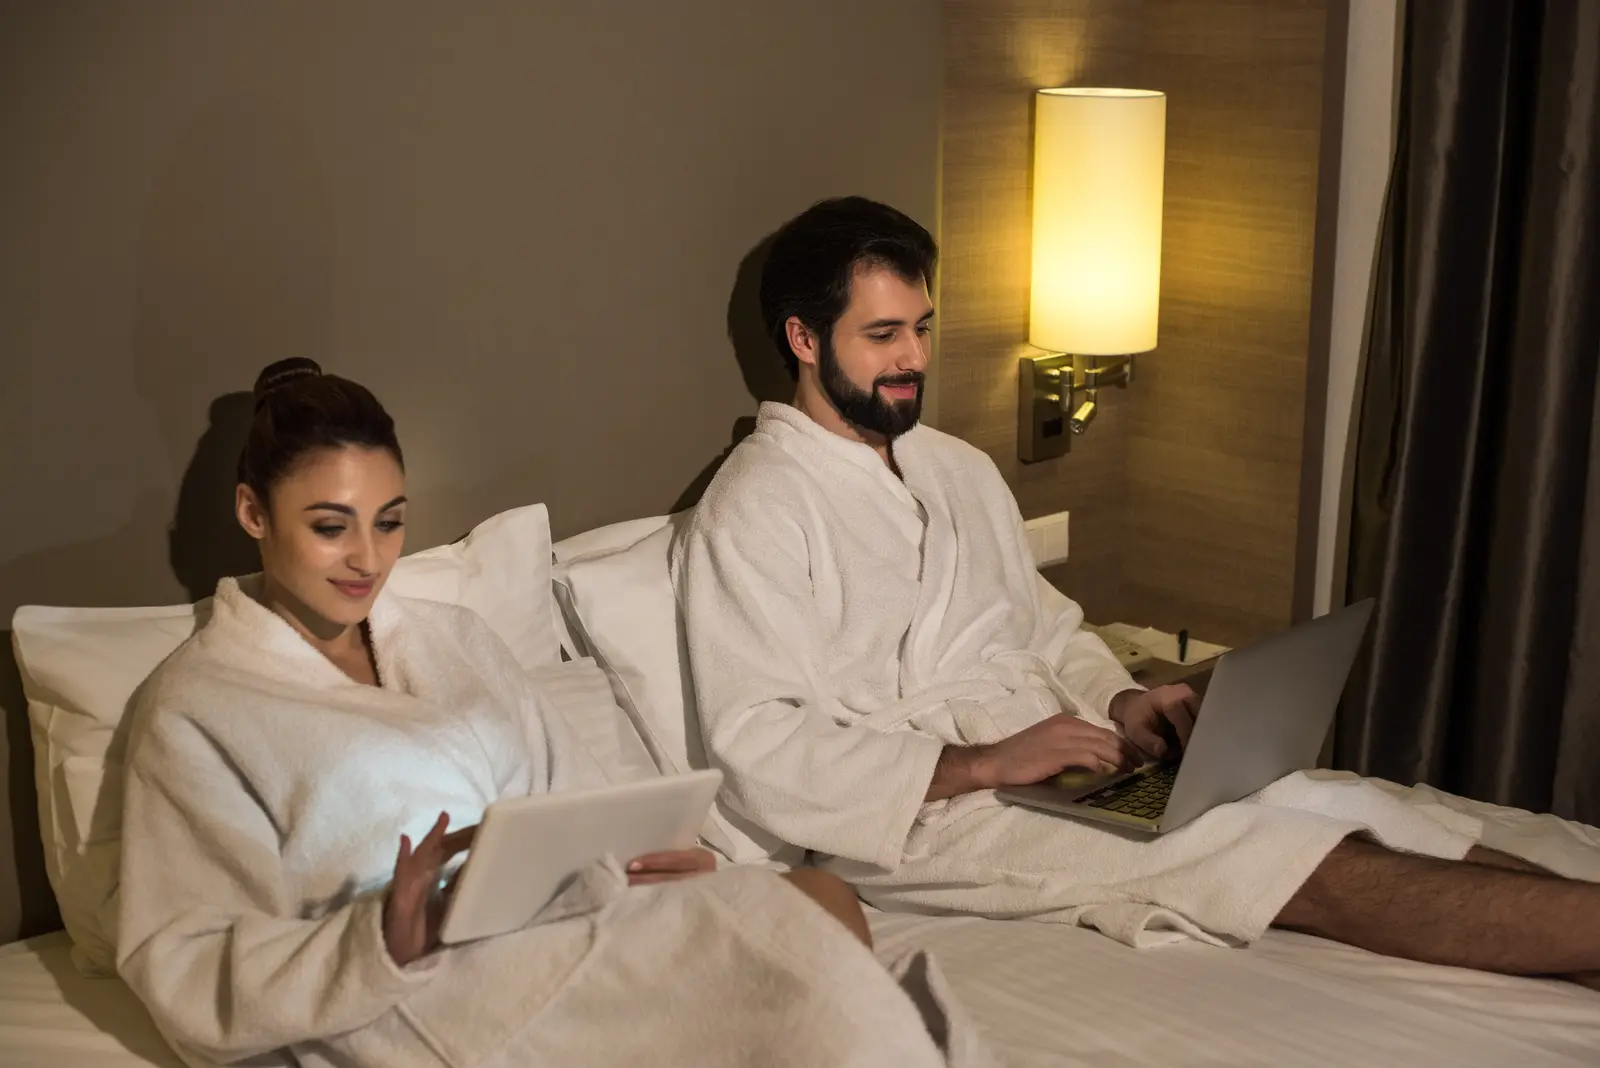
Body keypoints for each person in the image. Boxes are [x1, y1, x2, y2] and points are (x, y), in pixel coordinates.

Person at [671, 196, 1600, 988]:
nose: (912, 356)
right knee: (1272, 857)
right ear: (802, 337)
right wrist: (981, 764)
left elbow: (1044, 623)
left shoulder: (951, 466)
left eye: (921, 327)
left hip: (1054, 766)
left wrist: (1121, 698)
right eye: (882, 336)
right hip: (929, 820)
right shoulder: (754, 509)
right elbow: (760, 743)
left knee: (1356, 810)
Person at [116, 358, 993, 1068]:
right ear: (251, 514)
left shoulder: (450, 639)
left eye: (388, 523)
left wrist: (633, 855)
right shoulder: (198, 707)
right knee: (797, 978)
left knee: (819, 900)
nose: (368, 558)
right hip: (410, 985)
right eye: (330, 526)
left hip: (563, 915)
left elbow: (568, 793)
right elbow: (185, 960)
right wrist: (379, 935)